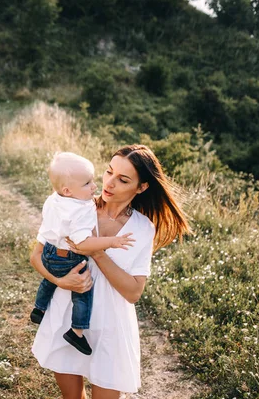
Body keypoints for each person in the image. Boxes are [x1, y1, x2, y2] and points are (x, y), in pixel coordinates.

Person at [31, 145, 190, 399]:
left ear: (141, 187)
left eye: (123, 179)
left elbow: (134, 292)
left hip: (111, 327)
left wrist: (97, 251)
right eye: (109, 172)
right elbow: (36, 255)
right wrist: (59, 280)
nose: (109, 183)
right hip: (68, 317)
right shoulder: (73, 206)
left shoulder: (142, 228)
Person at [30, 152, 135, 356]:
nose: (94, 187)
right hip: (69, 258)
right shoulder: (82, 210)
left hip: (50, 253)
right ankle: (77, 331)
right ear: (68, 190)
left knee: (49, 280)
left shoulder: (54, 200)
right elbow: (82, 243)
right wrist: (112, 242)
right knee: (83, 293)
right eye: (87, 184)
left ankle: (39, 308)